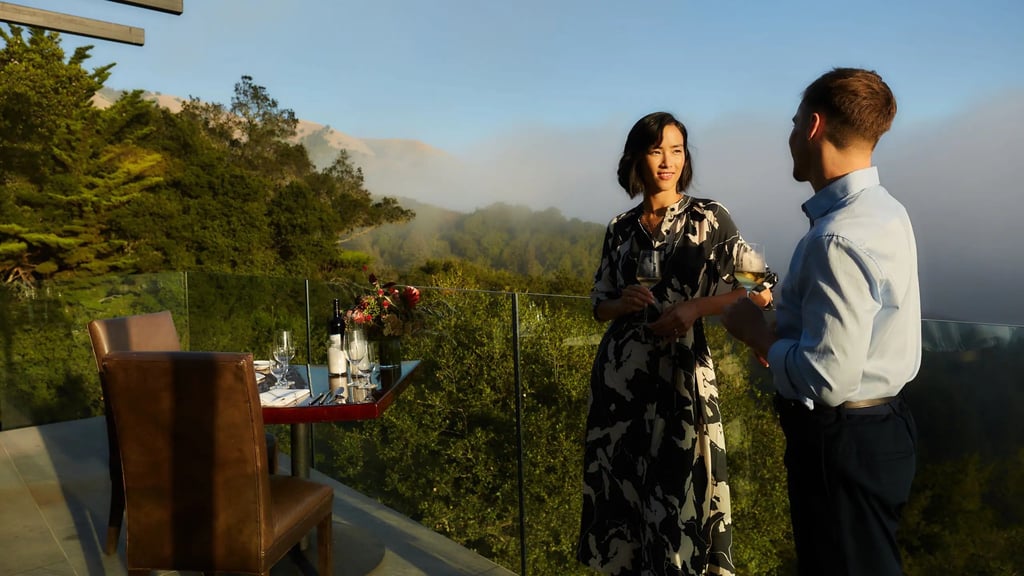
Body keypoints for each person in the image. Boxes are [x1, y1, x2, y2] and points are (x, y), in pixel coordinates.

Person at [721, 68, 920, 575]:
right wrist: (783, 327)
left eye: (793, 124)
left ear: (813, 126)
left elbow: (829, 379)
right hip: (884, 428)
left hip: (843, 441)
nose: (790, 137)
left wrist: (756, 333)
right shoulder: (887, 211)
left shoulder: (836, 238)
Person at [578, 111, 772, 576]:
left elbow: (760, 290)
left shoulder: (710, 217)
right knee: (623, 503)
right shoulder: (620, 227)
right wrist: (622, 303)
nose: (667, 161)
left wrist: (695, 308)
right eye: (656, 150)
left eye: (677, 150)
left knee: (680, 495)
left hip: (681, 379)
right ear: (637, 158)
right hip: (621, 382)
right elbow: (598, 305)